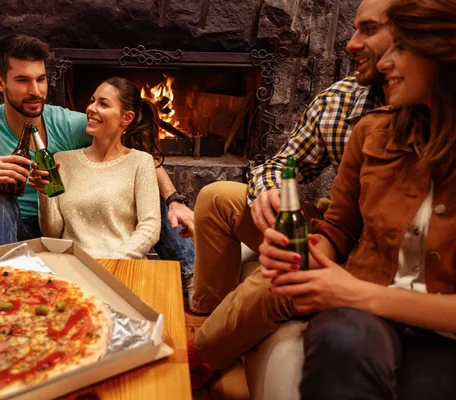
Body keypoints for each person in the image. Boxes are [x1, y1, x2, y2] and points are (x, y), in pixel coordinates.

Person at [186, 0, 392, 388]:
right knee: (217, 198)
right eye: (351, 30)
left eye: (367, 29)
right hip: (339, 227)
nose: (349, 44)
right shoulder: (341, 100)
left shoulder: (424, 114)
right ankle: (207, 314)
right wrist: (270, 192)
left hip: (370, 249)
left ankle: (202, 355)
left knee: (280, 276)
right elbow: (282, 165)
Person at [259, 0, 456, 397]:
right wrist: (310, 251)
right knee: (344, 340)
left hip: (435, 325)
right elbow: (340, 226)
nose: (384, 63)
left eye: (400, 47)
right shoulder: (371, 131)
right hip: (361, 308)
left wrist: (355, 292)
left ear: (442, 50)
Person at [0, 35, 195, 286]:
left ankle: (192, 274)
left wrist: (174, 199)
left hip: (65, 230)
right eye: (23, 80)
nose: (35, 91)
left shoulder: (71, 124)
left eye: (41, 79)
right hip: (12, 232)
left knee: (153, 196)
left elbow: (138, 155)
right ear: (1, 84)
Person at [30, 77, 161, 258]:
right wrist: (45, 194)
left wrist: (111, 262)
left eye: (103, 104)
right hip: (74, 265)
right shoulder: (62, 161)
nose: (91, 108)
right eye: (92, 101)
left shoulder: (140, 162)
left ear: (127, 118)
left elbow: (150, 227)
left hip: (122, 266)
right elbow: (52, 232)